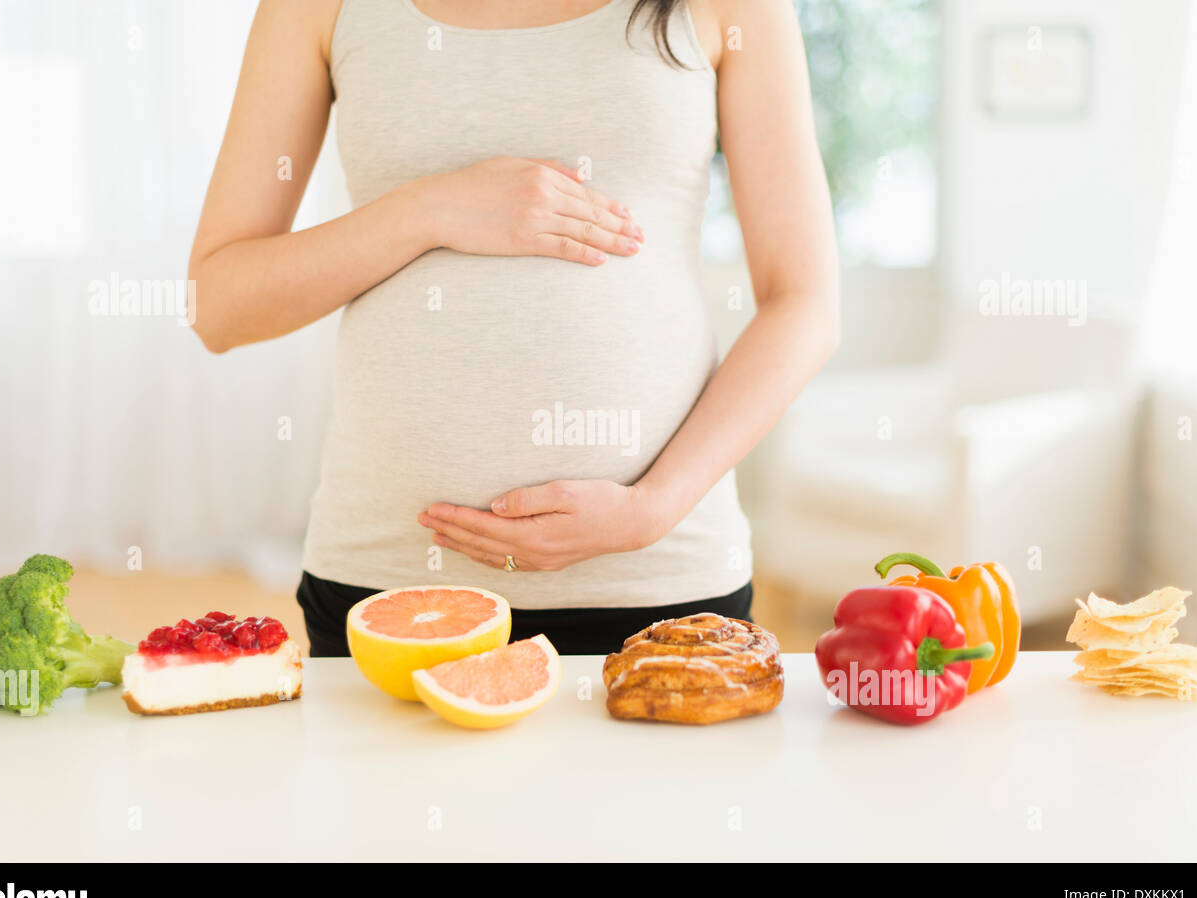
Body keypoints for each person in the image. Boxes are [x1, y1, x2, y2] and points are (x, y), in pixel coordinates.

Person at [187, 0, 839, 655]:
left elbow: (804, 300)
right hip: (393, 587)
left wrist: (651, 510)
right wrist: (429, 208)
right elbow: (217, 303)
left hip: (659, 583)